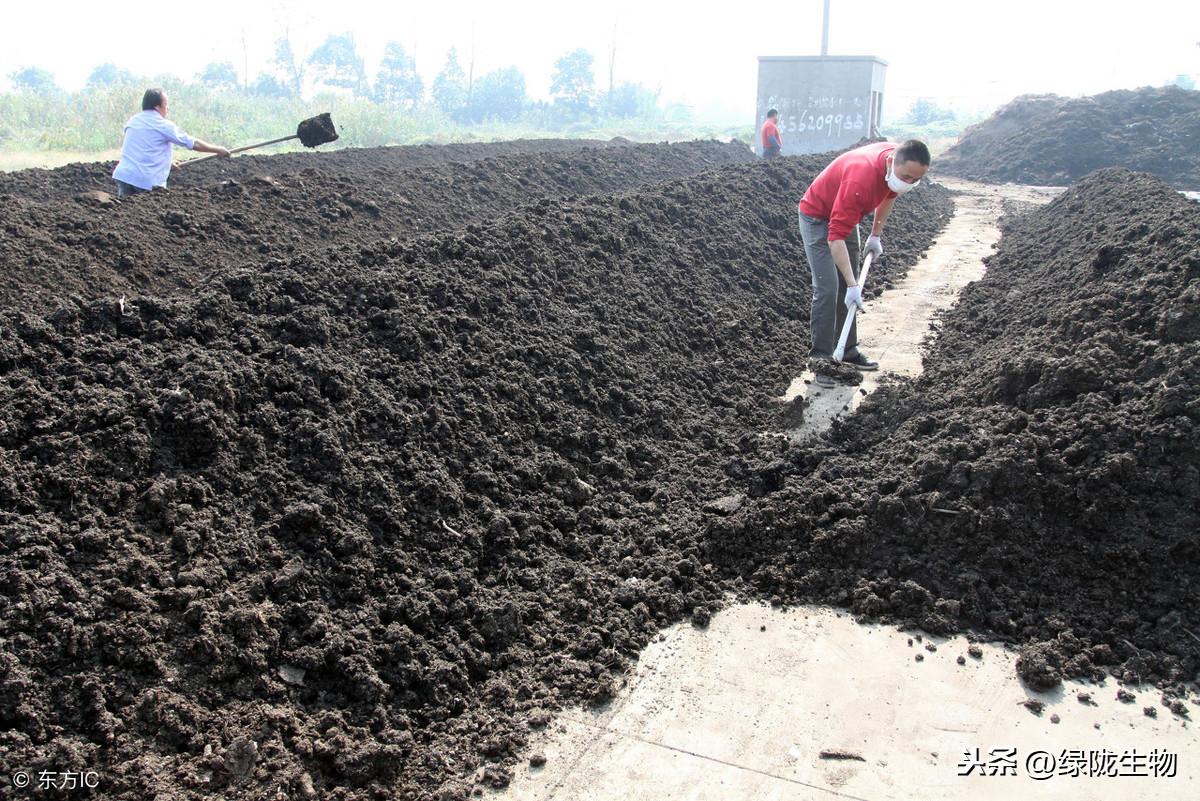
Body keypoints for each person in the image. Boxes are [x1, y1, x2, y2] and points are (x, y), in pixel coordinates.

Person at [797, 139, 931, 384]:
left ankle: (847, 350)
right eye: (907, 177)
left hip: (846, 214)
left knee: (847, 284)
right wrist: (851, 285)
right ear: (891, 163)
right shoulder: (861, 180)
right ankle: (821, 359)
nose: (908, 182)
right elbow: (835, 237)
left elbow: (890, 195)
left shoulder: (895, 168)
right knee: (829, 288)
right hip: (817, 217)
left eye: (915, 179)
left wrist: (875, 235)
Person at [111, 88, 231, 198]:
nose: (167, 108)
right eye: (166, 104)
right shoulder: (162, 125)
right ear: (157, 106)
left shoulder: (133, 121)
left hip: (125, 176)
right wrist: (218, 149)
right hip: (146, 181)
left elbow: (143, 148)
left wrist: (166, 162)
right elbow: (193, 144)